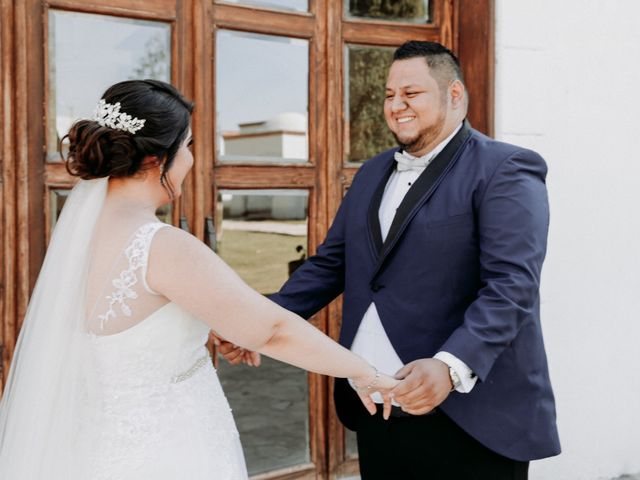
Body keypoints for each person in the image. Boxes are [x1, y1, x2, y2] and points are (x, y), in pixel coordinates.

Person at [0, 79, 398, 480]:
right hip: (168, 451)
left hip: (98, 446)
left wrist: (202, 325)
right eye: (188, 146)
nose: (191, 159)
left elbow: (127, 329)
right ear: (158, 158)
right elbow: (272, 330)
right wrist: (364, 372)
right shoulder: (161, 245)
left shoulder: (80, 237)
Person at [216, 41, 561, 479]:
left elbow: (512, 285)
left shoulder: (506, 168)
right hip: (375, 404)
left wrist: (450, 366)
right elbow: (331, 265)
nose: (395, 106)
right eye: (388, 95)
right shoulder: (372, 172)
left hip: (470, 415)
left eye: (411, 94)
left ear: (454, 95)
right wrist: (256, 323)